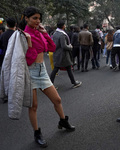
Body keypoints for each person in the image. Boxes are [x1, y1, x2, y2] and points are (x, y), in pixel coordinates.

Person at [19, 7, 75, 148]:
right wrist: (30, 43)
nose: (38, 21)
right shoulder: (23, 35)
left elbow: (51, 48)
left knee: (57, 99)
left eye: (39, 18)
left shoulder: (39, 32)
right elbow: (28, 60)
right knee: (34, 106)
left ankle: (63, 120)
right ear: (26, 18)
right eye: (34, 18)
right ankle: (37, 133)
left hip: (42, 71)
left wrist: (45, 33)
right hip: (30, 71)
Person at [50, 21, 82, 88]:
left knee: (57, 68)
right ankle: (74, 82)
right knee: (66, 68)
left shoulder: (55, 33)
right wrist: (70, 47)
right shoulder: (62, 35)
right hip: (63, 55)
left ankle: (51, 84)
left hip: (57, 53)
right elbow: (64, 46)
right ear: (63, 26)